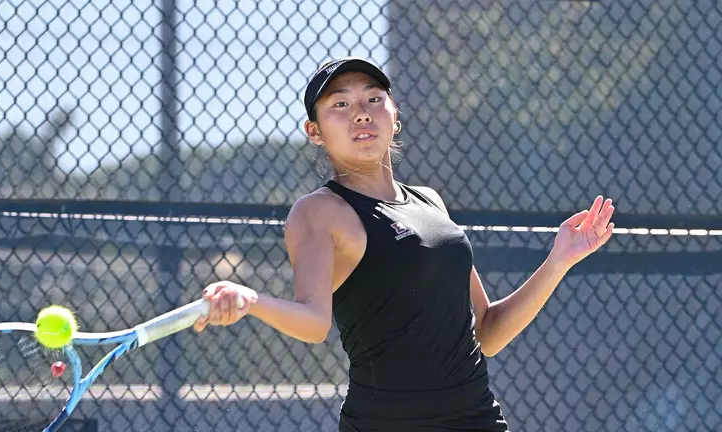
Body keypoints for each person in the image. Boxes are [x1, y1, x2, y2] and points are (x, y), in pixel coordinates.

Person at [193, 57, 616, 431]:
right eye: (340, 104)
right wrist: (250, 300)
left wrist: (559, 260)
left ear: (395, 116)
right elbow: (312, 319)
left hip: (476, 417)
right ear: (315, 131)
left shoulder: (430, 201)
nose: (360, 113)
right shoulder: (317, 212)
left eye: (373, 99)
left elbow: (486, 333)